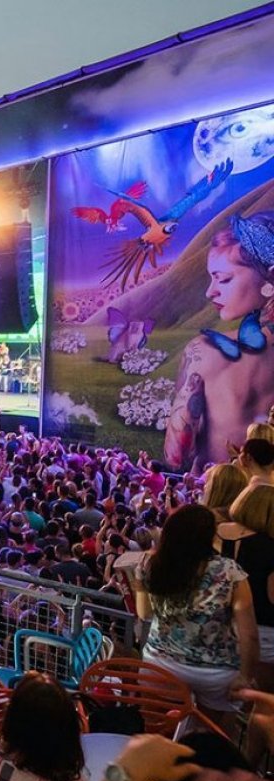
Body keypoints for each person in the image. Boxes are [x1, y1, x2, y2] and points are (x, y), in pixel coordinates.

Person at [128, 504, 259, 733]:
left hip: (160, 663)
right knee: (204, 737)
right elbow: (249, 634)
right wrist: (245, 676)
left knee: (158, 733)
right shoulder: (229, 571)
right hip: (214, 671)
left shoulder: (150, 564)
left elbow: (144, 614)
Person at [165, 212, 274, 469]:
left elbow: (176, 455)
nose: (210, 291)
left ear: (270, 278)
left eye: (223, 279)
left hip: (219, 495)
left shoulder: (204, 352)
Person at [222, 484, 274, 691]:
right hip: (263, 635)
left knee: (230, 699)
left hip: (224, 629)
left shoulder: (218, 535)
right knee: (261, 704)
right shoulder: (269, 548)